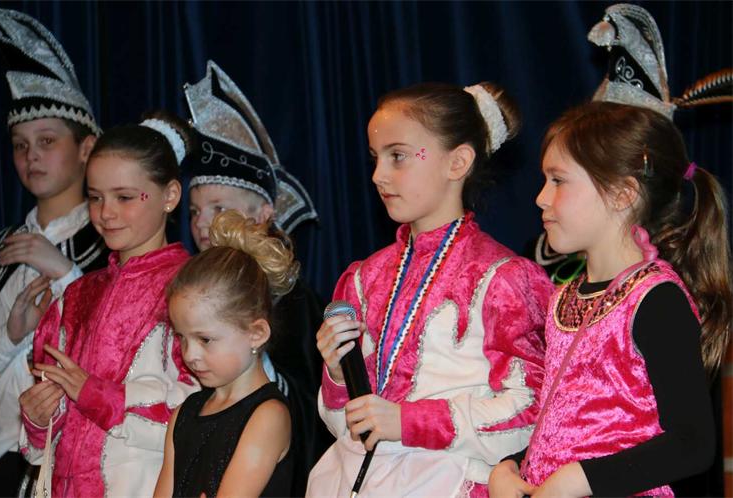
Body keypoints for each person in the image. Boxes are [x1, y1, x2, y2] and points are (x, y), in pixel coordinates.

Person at [306, 81, 553, 497]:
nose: (378, 175)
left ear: (457, 163)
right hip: (355, 479)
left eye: (398, 156)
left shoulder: (501, 278)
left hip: (447, 481)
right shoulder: (364, 278)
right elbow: (346, 425)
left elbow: (532, 409)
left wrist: (409, 421)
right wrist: (337, 374)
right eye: (376, 157)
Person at [488, 101, 729, 497]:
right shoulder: (563, 298)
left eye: (558, 180)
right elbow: (566, 425)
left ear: (622, 195)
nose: (541, 198)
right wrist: (511, 465)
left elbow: (693, 443)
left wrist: (580, 479)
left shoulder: (656, 301)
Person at [18, 112, 200, 497]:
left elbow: (202, 413)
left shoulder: (195, 289)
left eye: (125, 197)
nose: (106, 213)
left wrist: (100, 397)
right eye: (96, 197)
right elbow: (46, 440)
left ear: (170, 196)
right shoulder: (74, 298)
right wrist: (38, 418)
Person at [183, 60, 328, 495]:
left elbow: (310, 406)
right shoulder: (188, 288)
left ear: (264, 214)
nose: (202, 223)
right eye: (194, 211)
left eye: (218, 208)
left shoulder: (294, 302)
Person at [0, 8, 109, 495]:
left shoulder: (107, 243)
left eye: (47, 141)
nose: (31, 156)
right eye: (20, 145)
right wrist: (10, 335)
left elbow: (111, 352)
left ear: (86, 148)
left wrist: (64, 272)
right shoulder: (2, 248)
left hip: (55, 455)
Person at [154, 210, 296, 497]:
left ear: (256, 333)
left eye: (205, 339)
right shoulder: (185, 413)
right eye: (181, 337)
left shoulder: (268, 416)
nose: (190, 354)